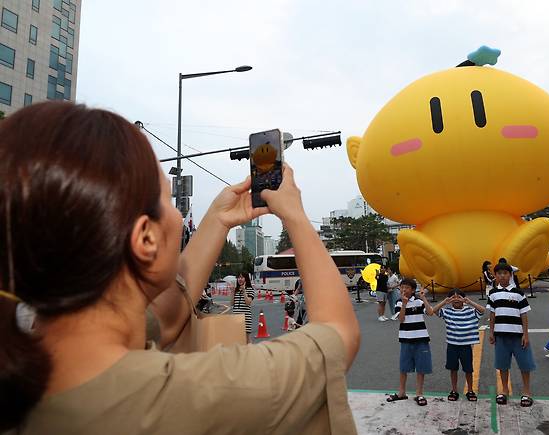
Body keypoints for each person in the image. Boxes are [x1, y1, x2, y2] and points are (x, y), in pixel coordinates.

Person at [0, 102, 360, 434]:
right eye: (169, 201)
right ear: (146, 238)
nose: (178, 216)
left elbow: (168, 319)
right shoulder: (191, 394)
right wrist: (294, 214)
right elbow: (338, 334)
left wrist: (217, 221)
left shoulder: (28, 374)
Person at [487, 263, 535, 407]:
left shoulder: (518, 293)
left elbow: (524, 314)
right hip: (500, 335)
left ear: (510, 275)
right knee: (502, 365)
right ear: (495, 276)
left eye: (505, 273)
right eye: (499, 273)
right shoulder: (493, 293)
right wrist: (491, 332)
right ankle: (504, 390)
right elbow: (492, 314)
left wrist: (525, 334)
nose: (502, 276)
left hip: (517, 335)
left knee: (525, 364)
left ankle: (527, 392)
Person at [386, 278, 434, 407]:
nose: (403, 289)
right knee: (404, 368)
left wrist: (424, 298)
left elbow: (430, 313)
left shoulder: (419, 301)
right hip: (405, 340)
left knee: (421, 368)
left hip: (421, 339)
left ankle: (419, 393)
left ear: (413, 290)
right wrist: (404, 304)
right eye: (401, 287)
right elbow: (401, 320)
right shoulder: (398, 302)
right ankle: (401, 392)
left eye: (406, 287)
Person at [433, 289, 485, 402]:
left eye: (458, 297)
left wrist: (469, 302)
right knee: (453, 369)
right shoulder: (447, 312)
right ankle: (454, 390)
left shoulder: (470, 311)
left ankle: (470, 390)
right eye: (453, 297)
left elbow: (482, 310)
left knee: (468, 370)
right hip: (452, 345)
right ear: (450, 300)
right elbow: (434, 310)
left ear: (463, 299)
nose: (456, 299)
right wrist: (444, 302)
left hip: (466, 346)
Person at [230, 272, 255, 343]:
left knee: (247, 339)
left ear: (246, 278)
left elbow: (248, 302)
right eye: (239, 277)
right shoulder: (236, 290)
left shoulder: (250, 289)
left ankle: (251, 353)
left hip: (245, 317)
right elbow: (232, 303)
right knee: (237, 339)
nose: (240, 279)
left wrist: (244, 291)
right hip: (236, 317)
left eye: (242, 277)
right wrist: (232, 292)